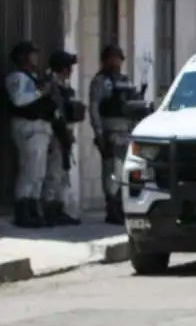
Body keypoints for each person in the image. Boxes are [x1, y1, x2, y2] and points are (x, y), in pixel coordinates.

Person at [5, 41, 56, 228]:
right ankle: (22, 211)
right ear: (22, 57)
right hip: (27, 128)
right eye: (31, 54)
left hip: (40, 128)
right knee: (29, 170)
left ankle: (34, 208)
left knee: (39, 173)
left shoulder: (33, 77)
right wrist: (41, 91)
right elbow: (19, 100)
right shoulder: (17, 77)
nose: (35, 57)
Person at [89, 45, 136, 225]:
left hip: (127, 131)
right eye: (113, 58)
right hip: (111, 131)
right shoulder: (101, 81)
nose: (116, 62)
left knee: (125, 172)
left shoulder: (125, 80)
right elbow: (95, 108)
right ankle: (112, 208)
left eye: (119, 58)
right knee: (111, 172)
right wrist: (99, 133)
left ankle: (121, 205)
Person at [44, 50, 84, 226]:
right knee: (54, 173)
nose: (71, 70)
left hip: (65, 134)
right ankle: (49, 209)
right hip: (56, 134)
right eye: (68, 66)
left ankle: (59, 209)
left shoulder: (65, 87)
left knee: (62, 174)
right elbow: (55, 113)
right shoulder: (52, 86)